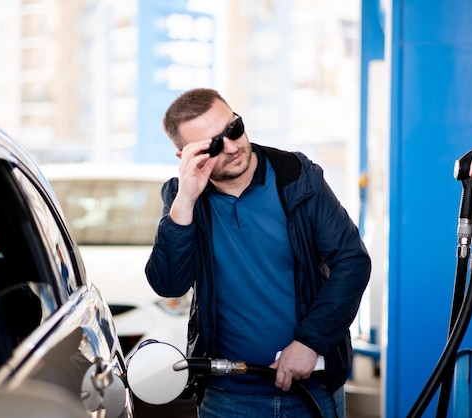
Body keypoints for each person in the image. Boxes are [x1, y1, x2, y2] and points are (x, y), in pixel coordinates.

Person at [145, 88, 371, 417]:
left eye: (233, 129)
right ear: (186, 157)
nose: (233, 147)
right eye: (213, 145)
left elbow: (352, 261)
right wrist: (186, 200)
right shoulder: (184, 200)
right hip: (227, 398)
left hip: (312, 390)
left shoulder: (297, 176)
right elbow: (168, 284)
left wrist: (310, 343)